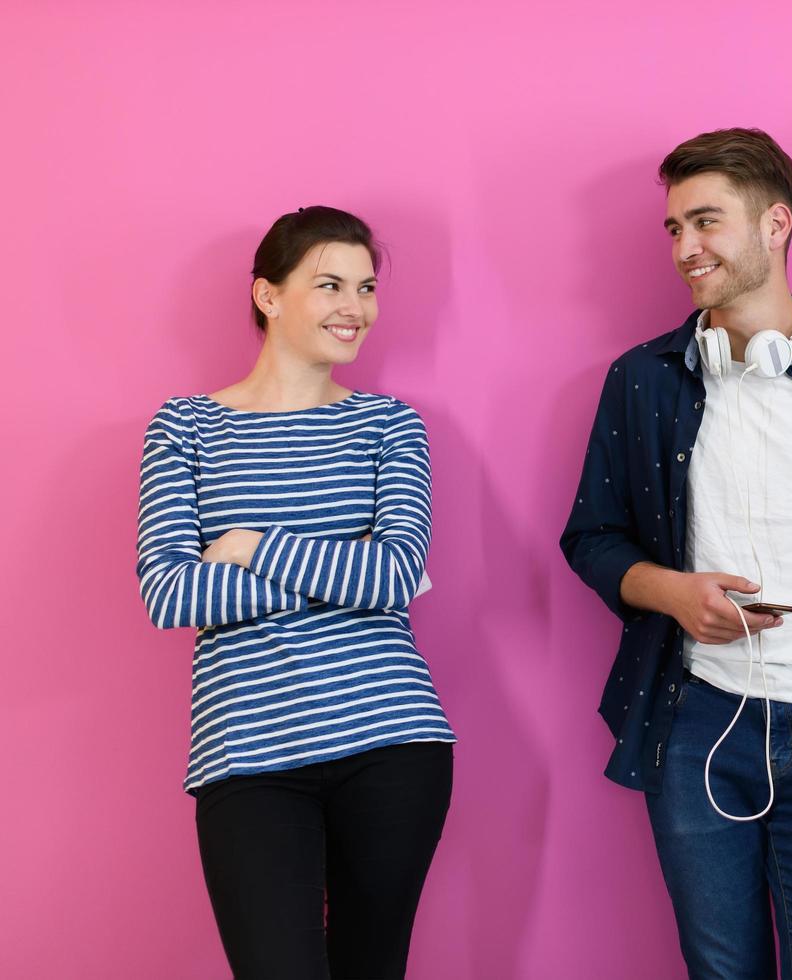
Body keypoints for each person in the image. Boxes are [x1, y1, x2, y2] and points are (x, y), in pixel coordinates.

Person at [561, 128, 792, 979]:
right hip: (698, 722)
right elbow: (590, 536)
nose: (685, 249)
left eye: (706, 222)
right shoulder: (644, 379)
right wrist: (672, 593)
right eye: (673, 229)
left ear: (776, 223)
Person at [135, 206, 455, 980]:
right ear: (269, 296)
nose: (356, 307)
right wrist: (345, 577)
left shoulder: (389, 426)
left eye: (367, 287)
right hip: (246, 754)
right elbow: (170, 593)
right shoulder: (185, 428)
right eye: (330, 285)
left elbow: (394, 573)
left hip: (392, 741)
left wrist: (252, 547)